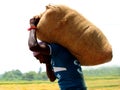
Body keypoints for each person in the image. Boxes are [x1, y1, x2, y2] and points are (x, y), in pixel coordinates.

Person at [28, 17, 87, 90]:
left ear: (44, 51)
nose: (40, 61)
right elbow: (52, 78)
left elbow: (33, 46)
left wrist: (32, 26)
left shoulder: (58, 50)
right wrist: (47, 62)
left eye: (38, 57)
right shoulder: (54, 58)